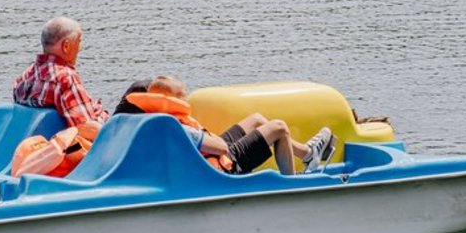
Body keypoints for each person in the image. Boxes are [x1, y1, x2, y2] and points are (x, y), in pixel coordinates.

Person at [118, 76, 334, 176]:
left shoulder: (143, 122)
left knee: (257, 119)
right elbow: (221, 148)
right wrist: (208, 136)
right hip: (222, 168)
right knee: (278, 127)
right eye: (182, 96)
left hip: (205, 155)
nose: (186, 100)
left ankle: (308, 154)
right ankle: (291, 184)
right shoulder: (176, 127)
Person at [13, 16, 110, 128]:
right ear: (66, 46)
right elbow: (88, 128)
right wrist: (104, 116)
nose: (80, 48)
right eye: (78, 41)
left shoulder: (23, 77)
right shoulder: (65, 78)